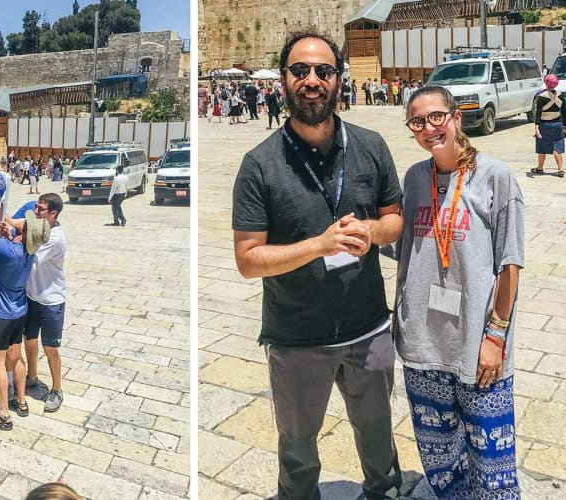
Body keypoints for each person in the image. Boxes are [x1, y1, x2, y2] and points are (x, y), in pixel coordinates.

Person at [232, 31, 404, 500]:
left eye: (323, 71)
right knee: (298, 448)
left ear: (339, 80)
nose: (312, 80)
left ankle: (384, 492)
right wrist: (319, 245)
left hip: (367, 328)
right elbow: (248, 260)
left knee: (377, 435)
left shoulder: (370, 146)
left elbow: (396, 220)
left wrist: (371, 232)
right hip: (296, 339)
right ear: (284, 81)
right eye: (300, 71)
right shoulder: (260, 165)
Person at [397, 85, 524, 498]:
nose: (429, 128)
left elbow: (510, 265)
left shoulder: (495, 176)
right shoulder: (415, 178)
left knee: (493, 466)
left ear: (455, 117)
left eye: (437, 117)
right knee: (440, 463)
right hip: (422, 345)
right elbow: (404, 245)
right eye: (418, 122)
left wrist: (496, 337)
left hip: (476, 348)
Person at [0, 209, 49, 430]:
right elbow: (13, 244)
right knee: (16, 358)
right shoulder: (29, 251)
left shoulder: (7, 249)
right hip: (20, 311)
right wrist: (9, 233)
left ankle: (3, 413)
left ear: (25, 230)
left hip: (0, 313)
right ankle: (21, 400)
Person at [24, 194, 67, 413]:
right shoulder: (39, 227)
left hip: (51, 299)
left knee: (50, 347)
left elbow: (29, 253)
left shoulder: (54, 237)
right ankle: (31, 376)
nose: (37, 212)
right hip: (32, 295)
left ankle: (57, 388)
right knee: (29, 339)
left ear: (53, 214)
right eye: (36, 207)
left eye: (41, 210)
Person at [532, 73, 566, 177]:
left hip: (544, 125)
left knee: (542, 147)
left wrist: (536, 128)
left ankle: (540, 168)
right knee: (557, 147)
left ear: (546, 83)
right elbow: (564, 112)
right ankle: (560, 169)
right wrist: (565, 126)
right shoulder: (561, 96)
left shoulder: (541, 97)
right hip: (558, 125)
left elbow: (538, 114)